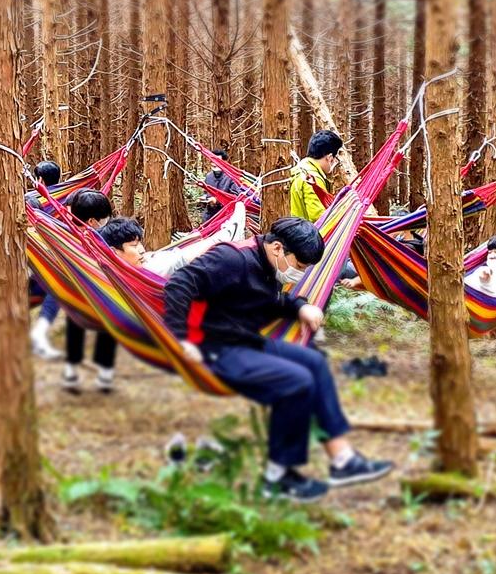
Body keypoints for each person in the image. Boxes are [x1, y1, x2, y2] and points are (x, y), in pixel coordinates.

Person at [163, 215, 394, 501]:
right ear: (277, 249)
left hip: (245, 340)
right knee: (296, 382)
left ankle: (343, 460)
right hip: (214, 348)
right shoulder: (231, 259)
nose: (299, 273)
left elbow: (269, 300)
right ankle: (277, 477)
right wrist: (180, 339)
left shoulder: (266, 264)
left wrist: (300, 307)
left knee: (314, 364)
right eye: (299, 266)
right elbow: (179, 284)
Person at [60, 190, 117, 393]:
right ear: (92, 221)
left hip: (81, 290)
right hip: (105, 292)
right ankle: (103, 375)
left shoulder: (70, 234)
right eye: (105, 218)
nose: (108, 221)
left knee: (76, 326)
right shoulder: (107, 236)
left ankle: (73, 372)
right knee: (107, 330)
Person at [290, 130, 361, 288]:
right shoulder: (310, 178)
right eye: (334, 158)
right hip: (306, 244)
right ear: (330, 157)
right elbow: (319, 216)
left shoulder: (301, 170)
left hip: (297, 239)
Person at [102, 201, 245, 279]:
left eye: (140, 243)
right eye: (134, 245)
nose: (141, 249)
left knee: (166, 255)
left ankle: (223, 237)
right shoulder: (146, 270)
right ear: (114, 251)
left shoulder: (108, 265)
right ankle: (224, 237)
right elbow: (177, 261)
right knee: (175, 259)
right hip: (153, 282)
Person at [26, 160, 64, 361]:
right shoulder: (60, 203)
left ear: (39, 180)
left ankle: (37, 335)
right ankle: (38, 333)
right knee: (57, 285)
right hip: (36, 273)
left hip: (34, 276)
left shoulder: (31, 201)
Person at [201, 149, 242, 222]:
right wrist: (205, 198)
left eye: (217, 161)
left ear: (224, 162)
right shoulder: (209, 176)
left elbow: (236, 198)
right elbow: (206, 193)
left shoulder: (231, 177)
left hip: (226, 215)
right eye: (212, 160)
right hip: (210, 215)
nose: (214, 163)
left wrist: (217, 201)